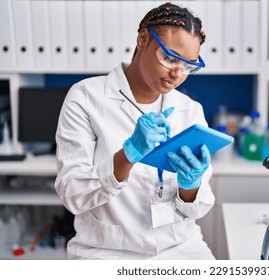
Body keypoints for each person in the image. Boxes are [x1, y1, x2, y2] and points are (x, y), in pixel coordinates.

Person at [54, 2, 215, 260]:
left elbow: (196, 209)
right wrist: (127, 155)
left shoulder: (190, 110)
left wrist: (191, 185)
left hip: (180, 248)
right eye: (170, 58)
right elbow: (72, 194)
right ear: (142, 40)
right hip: (106, 252)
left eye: (187, 66)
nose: (177, 73)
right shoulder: (86, 97)